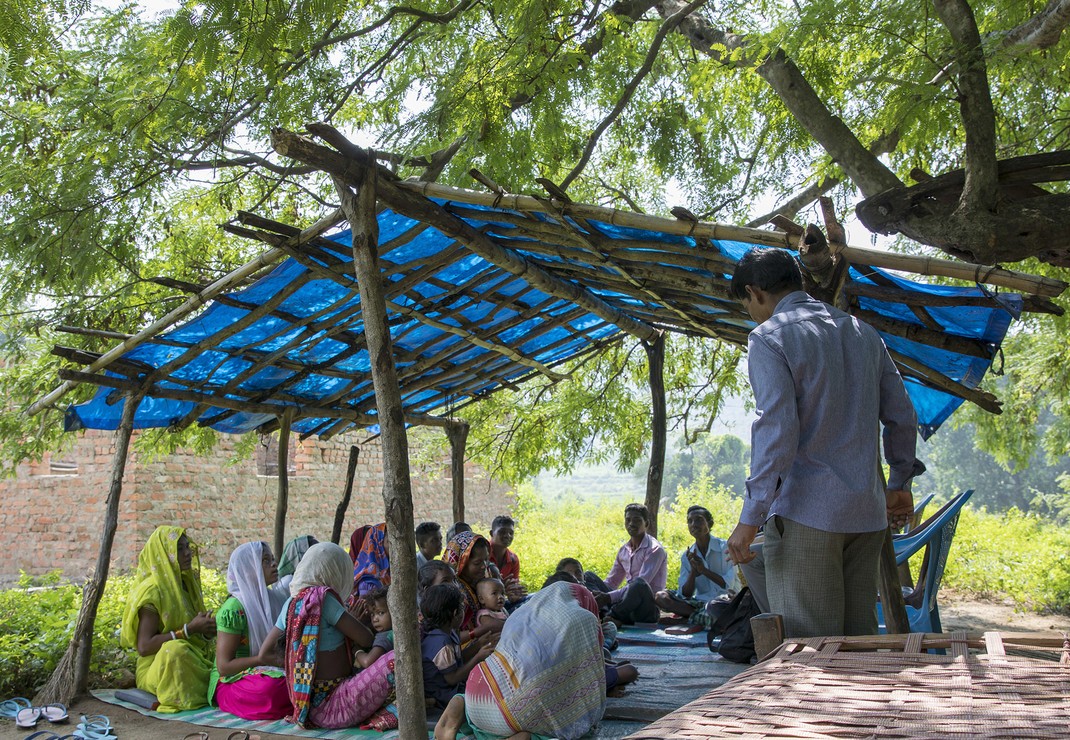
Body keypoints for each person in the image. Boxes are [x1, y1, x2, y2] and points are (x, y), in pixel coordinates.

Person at [724, 247, 923, 638]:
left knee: (812, 653)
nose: (751, 311)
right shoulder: (862, 332)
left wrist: (751, 517)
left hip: (808, 515)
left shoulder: (768, 338)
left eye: (746, 302)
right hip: (866, 516)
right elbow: (902, 415)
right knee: (858, 646)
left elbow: (777, 431)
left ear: (755, 292)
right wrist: (900, 482)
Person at [434, 581, 614, 740]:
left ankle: (461, 706)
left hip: (477, 691)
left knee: (491, 698)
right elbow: (591, 678)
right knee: (549, 725)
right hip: (511, 716)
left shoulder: (524, 613)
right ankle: (521, 736)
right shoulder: (584, 620)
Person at [260, 542, 397, 729]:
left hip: (308, 707)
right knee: (399, 659)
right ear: (336, 571)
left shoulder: (292, 603)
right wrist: (353, 621)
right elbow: (366, 639)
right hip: (338, 703)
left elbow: (264, 653)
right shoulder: (323, 598)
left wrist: (299, 664)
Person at [119, 526, 217, 713]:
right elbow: (144, 647)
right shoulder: (153, 591)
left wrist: (206, 630)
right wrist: (188, 630)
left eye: (188, 547)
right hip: (159, 667)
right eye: (179, 549)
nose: (188, 553)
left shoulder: (186, 584)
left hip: (192, 657)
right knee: (175, 650)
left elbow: (195, 632)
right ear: (164, 552)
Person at [209, 541, 291, 720]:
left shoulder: (277, 599)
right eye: (265, 560)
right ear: (249, 568)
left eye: (273, 559)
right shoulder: (234, 609)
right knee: (270, 690)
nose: (274, 564)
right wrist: (260, 659)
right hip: (233, 679)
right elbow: (224, 667)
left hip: (271, 669)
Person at [654, 506, 740, 627]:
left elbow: (728, 586)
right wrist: (693, 572)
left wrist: (704, 571)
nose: (693, 524)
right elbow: (686, 594)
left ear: (709, 524)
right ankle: (698, 618)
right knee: (661, 597)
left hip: (725, 602)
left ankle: (687, 619)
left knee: (720, 612)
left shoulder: (725, 548)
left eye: (699, 520)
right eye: (690, 521)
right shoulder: (688, 556)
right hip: (700, 602)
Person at [584, 503, 667, 624]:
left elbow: (641, 584)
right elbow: (611, 582)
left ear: (646, 524)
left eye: (637, 520)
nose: (631, 524)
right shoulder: (624, 550)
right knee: (588, 577)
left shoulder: (655, 550)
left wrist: (608, 597)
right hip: (626, 603)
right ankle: (608, 614)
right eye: (628, 520)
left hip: (645, 608)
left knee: (639, 584)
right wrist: (601, 595)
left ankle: (612, 616)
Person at [421, 584, 495, 709]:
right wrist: (478, 657)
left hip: (451, 686)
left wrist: (479, 644)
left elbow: (458, 659)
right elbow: (452, 678)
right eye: (462, 609)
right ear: (456, 613)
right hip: (443, 694)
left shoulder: (449, 632)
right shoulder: (440, 643)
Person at [443, 530, 504, 635]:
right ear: (461, 563)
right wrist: (479, 632)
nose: (484, 566)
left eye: (486, 560)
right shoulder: (452, 592)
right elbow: (448, 637)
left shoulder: (485, 578)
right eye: (477, 562)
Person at [487, 515, 526, 603]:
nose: (507, 536)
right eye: (502, 532)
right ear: (491, 533)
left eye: (511, 533)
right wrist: (502, 588)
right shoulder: (482, 554)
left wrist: (514, 595)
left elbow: (513, 587)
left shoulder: (513, 559)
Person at [354, 586, 394, 669]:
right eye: (372, 614)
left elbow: (367, 662)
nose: (375, 619)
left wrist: (357, 651)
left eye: (381, 613)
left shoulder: (385, 637)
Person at [351, 522, 390, 599]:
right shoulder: (368, 583)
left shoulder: (391, 571)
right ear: (378, 545)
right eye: (389, 542)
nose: (395, 547)